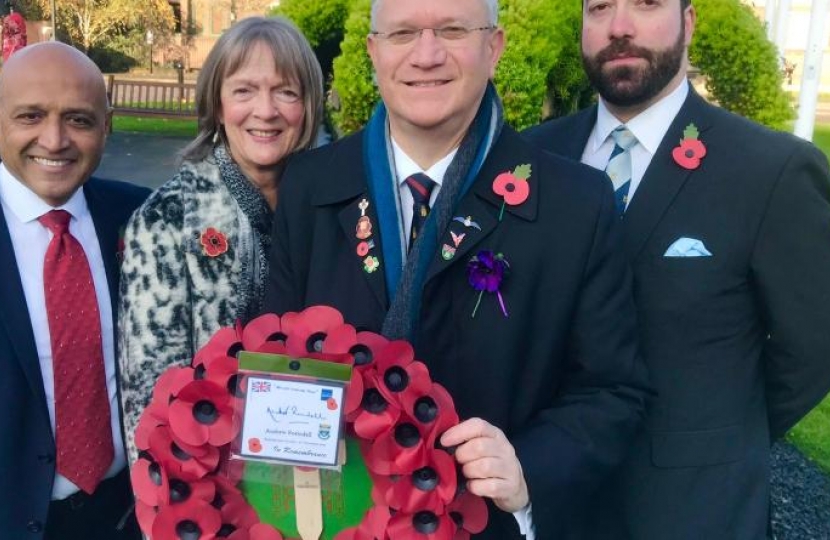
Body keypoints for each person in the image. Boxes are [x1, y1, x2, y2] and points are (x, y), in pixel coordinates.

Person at [263, 0, 649, 537]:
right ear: (374, 53)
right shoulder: (309, 187)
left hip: (485, 523)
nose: (426, 55)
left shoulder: (576, 205)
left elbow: (613, 390)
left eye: (451, 29)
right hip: (333, 522)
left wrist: (529, 468)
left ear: (494, 47)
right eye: (402, 34)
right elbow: (277, 360)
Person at [524, 1, 830, 538]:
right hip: (549, 503)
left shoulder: (769, 171)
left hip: (693, 509)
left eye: (646, 3)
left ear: (688, 22)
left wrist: (723, 430)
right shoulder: (531, 158)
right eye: (599, 8)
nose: (619, 26)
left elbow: (815, 344)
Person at [118, 16, 324, 463]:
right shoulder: (166, 219)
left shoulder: (339, 207)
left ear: (309, 105)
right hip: (208, 489)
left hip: (324, 469)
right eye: (244, 90)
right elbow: (149, 395)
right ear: (217, 102)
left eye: (286, 91)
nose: (265, 111)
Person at [0, 42, 149, 539]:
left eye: (79, 120)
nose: (55, 139)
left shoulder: (141, 220)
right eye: (30, 116)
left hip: (127, 515)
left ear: (107, 125)